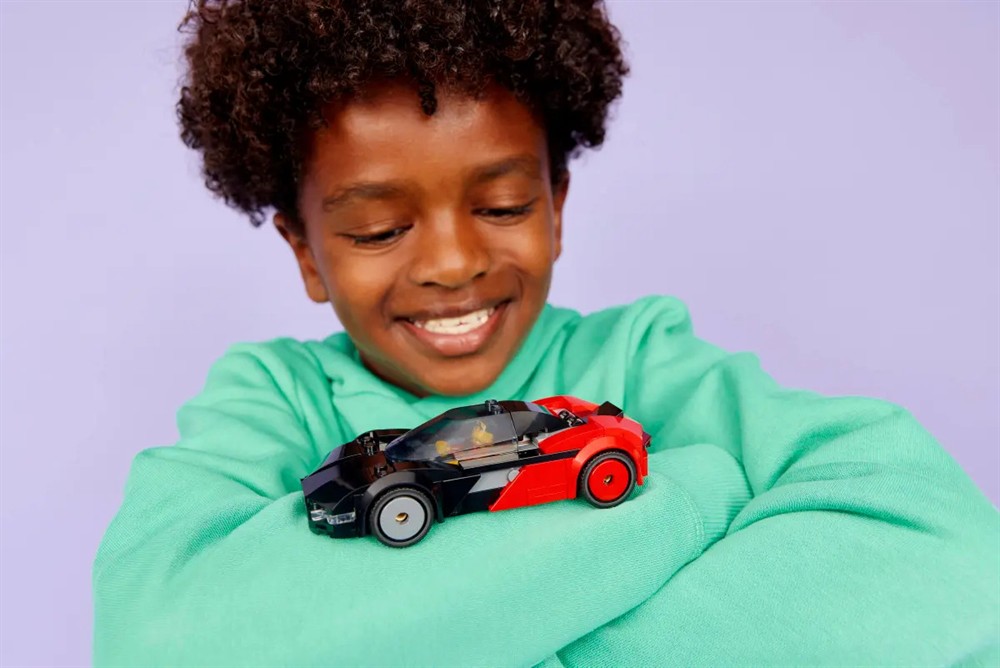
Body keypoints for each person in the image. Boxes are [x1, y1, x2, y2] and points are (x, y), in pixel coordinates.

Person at [93, 1, 999, 666]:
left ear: (556, 208)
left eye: (501, 206)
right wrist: (694, 493)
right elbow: (159, 641)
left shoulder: (638, 359)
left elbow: (951, 563)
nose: (452, 263)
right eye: (378, 229)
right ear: (306, 252)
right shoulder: (272, 399)